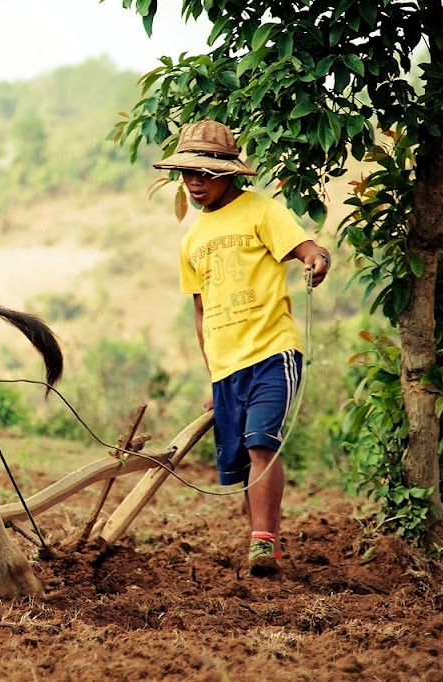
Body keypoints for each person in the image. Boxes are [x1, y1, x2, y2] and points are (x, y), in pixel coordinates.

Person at [151, 119, 330, 576]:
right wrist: (214, 375)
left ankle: (263, 543)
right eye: (188, 174)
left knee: (260, 445)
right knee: (236, 465)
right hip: (226, 367)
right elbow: (200, 313)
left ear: (229, 172)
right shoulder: (191, 240)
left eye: (205, 173)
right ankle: (260, 543)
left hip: (273, 352)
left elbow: (308, 248)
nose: (195, 182)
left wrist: (316, 261)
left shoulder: (262, 212)